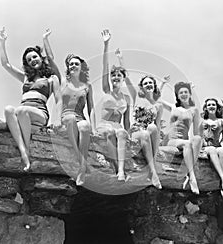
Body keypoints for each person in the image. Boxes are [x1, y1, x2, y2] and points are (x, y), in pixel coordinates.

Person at [0, 27, 61, 171]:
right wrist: (2, 42)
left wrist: (57, 121)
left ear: (40, 58)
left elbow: (59, 100)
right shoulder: (26, 78)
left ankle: (27, 150)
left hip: (39, 113)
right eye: (29, 60)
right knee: (8, 109)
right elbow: (5, 65)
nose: (32, 60)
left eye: (34, 57)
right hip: (23, 113)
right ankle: (23, 151)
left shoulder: (51, 79)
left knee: (21, 110)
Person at [43, 29, 95, 185]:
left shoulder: (87, 86)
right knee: (71, 118)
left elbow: (91, 108)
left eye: (76, 64)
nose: (73, 65)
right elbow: (51, 60)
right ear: (68, 67)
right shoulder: (62, 82)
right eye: (71, 64)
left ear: (81, 67)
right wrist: (45, 39)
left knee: (85, 126)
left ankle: (81, 169)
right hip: (66, 117)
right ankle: (82, 163)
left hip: (80, 118)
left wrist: (94, 126)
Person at [119, 51, 163, 189]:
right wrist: (121, 59)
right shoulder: (136, 97)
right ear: (142, 87)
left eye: (151, 83)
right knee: (145, 132)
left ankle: (153, 165)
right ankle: (153, 172)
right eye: (146, 83)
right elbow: (126, 78)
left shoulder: (158, 105)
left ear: (154, 86)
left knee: (152, 128)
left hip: (151, 133)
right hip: (137, 132)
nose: (148, 85)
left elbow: (158, 127)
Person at [96, 30, 131, 181]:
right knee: (110, 133)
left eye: (119, 75)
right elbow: (105, 66)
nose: (115, 77)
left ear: (123, 79)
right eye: (113, 75)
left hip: (118, 126)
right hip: (104, 125)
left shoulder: (127, 98)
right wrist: (106, 44)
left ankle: (121, 170)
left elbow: (127, 121)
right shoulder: (106, 90)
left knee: (122, 133)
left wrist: (129, 133)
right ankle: (117, 169)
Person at [159, 81, 201, 194]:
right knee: (187, 143)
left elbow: (196, 131)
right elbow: (157, 99)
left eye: (185, 92)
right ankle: (192, 177)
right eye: (180, 92)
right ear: (177, 95)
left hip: (183, 141)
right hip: (170, 140)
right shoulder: (173, 107)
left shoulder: (194, 111)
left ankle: (187, 173)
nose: (183, 94)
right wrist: (162, 83)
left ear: (189, 94)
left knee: (195, 140)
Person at [199, 98, 223, 195]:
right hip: (206, 147)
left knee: (222, 151)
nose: (211, 106)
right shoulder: (201, 121)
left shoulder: (222, 122)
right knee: (212, 149)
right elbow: (199, 137)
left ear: (217, 107)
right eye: (209, 105)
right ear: (206, 108)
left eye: (213, 104)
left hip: (217, 145)